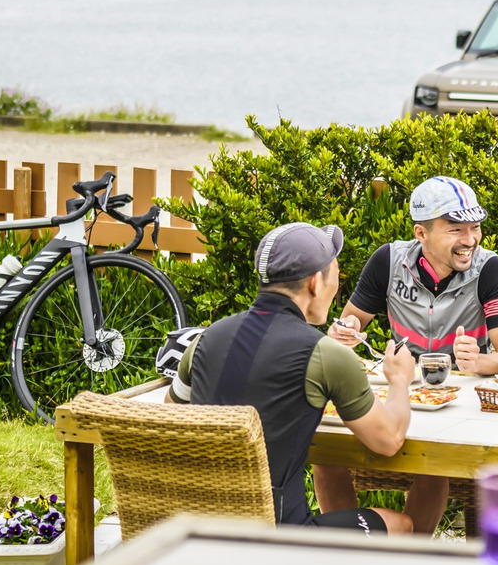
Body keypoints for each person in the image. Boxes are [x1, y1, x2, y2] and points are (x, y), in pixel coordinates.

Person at [166, 221, 417, 536]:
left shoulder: (204, 340)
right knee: (401, 525)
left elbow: (170, 413)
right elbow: (389, 440)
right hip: (282, 534)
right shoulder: (326, 354)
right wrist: (399, 380)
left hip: (199, 528)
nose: (338, 283)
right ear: (315, 283)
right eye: (336, 273)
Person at [315, 175, 498, 535]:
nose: (470, 240)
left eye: (475, 228)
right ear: (421, 234)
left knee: (434, 458)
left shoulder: (490, 268)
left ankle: (413, 554)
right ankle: (347, 553)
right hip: (399, 391)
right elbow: (353, 320)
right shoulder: (388, 260)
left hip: (461, 402)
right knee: (325, 455)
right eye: (456, 229)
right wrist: (345, 329)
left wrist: (479, 361)